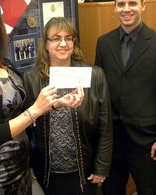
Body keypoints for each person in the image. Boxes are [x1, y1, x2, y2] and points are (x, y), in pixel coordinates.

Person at [0, 0, 82, 195]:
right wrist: (37, 109)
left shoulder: (5, 65)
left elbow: (23, 110)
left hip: (21, 166)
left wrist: (56, 104)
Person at [95, 0, 156, 195]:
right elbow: (99, 92)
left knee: (147, 191)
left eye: (132, 3)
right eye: (121, 4)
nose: (126, 9)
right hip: (113, 141)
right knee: (111, 191)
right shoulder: (103, 43)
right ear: (114, 7)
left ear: (143, 5)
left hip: (146, 142)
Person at [23, 17, 113, 195]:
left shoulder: (94, 76)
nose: (63, 43)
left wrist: (101, 166)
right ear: (46, 45)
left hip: (84, 169)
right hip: (48, 170)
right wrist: (29, 163)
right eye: (56, 38)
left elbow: (105, 126)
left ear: (74, 43)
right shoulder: (31, 79)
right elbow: (27, 130)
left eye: (68, 38)